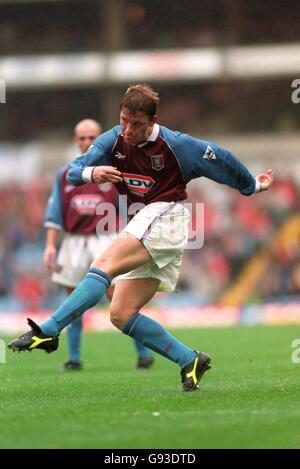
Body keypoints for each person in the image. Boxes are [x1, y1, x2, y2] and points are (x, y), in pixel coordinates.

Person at [8, 84, 273, 392]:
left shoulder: (177, 145)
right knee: (120, 313)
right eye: (124, 120)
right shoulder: (113, 139)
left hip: (166, 216)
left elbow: (221, 159)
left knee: (103, 263)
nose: (128, 129)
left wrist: (250, 186)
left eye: (136, 124)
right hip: (149, 223)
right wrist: (90, 174)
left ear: (152, 121)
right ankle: (190, 359)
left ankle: (50, 330)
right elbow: (72, 171)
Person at [43, 118, 154, 371]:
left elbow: (130, 206)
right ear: (75, 140)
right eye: (82, 138)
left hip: (105, 238)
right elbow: (54, 213)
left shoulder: (114, 169)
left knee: (118, 298)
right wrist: (50, 246)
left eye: (92, 137)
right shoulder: (66, 173)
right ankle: (74, 358)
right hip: (73, 241)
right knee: (73, 301)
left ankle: (144, 353)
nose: (87, 142)